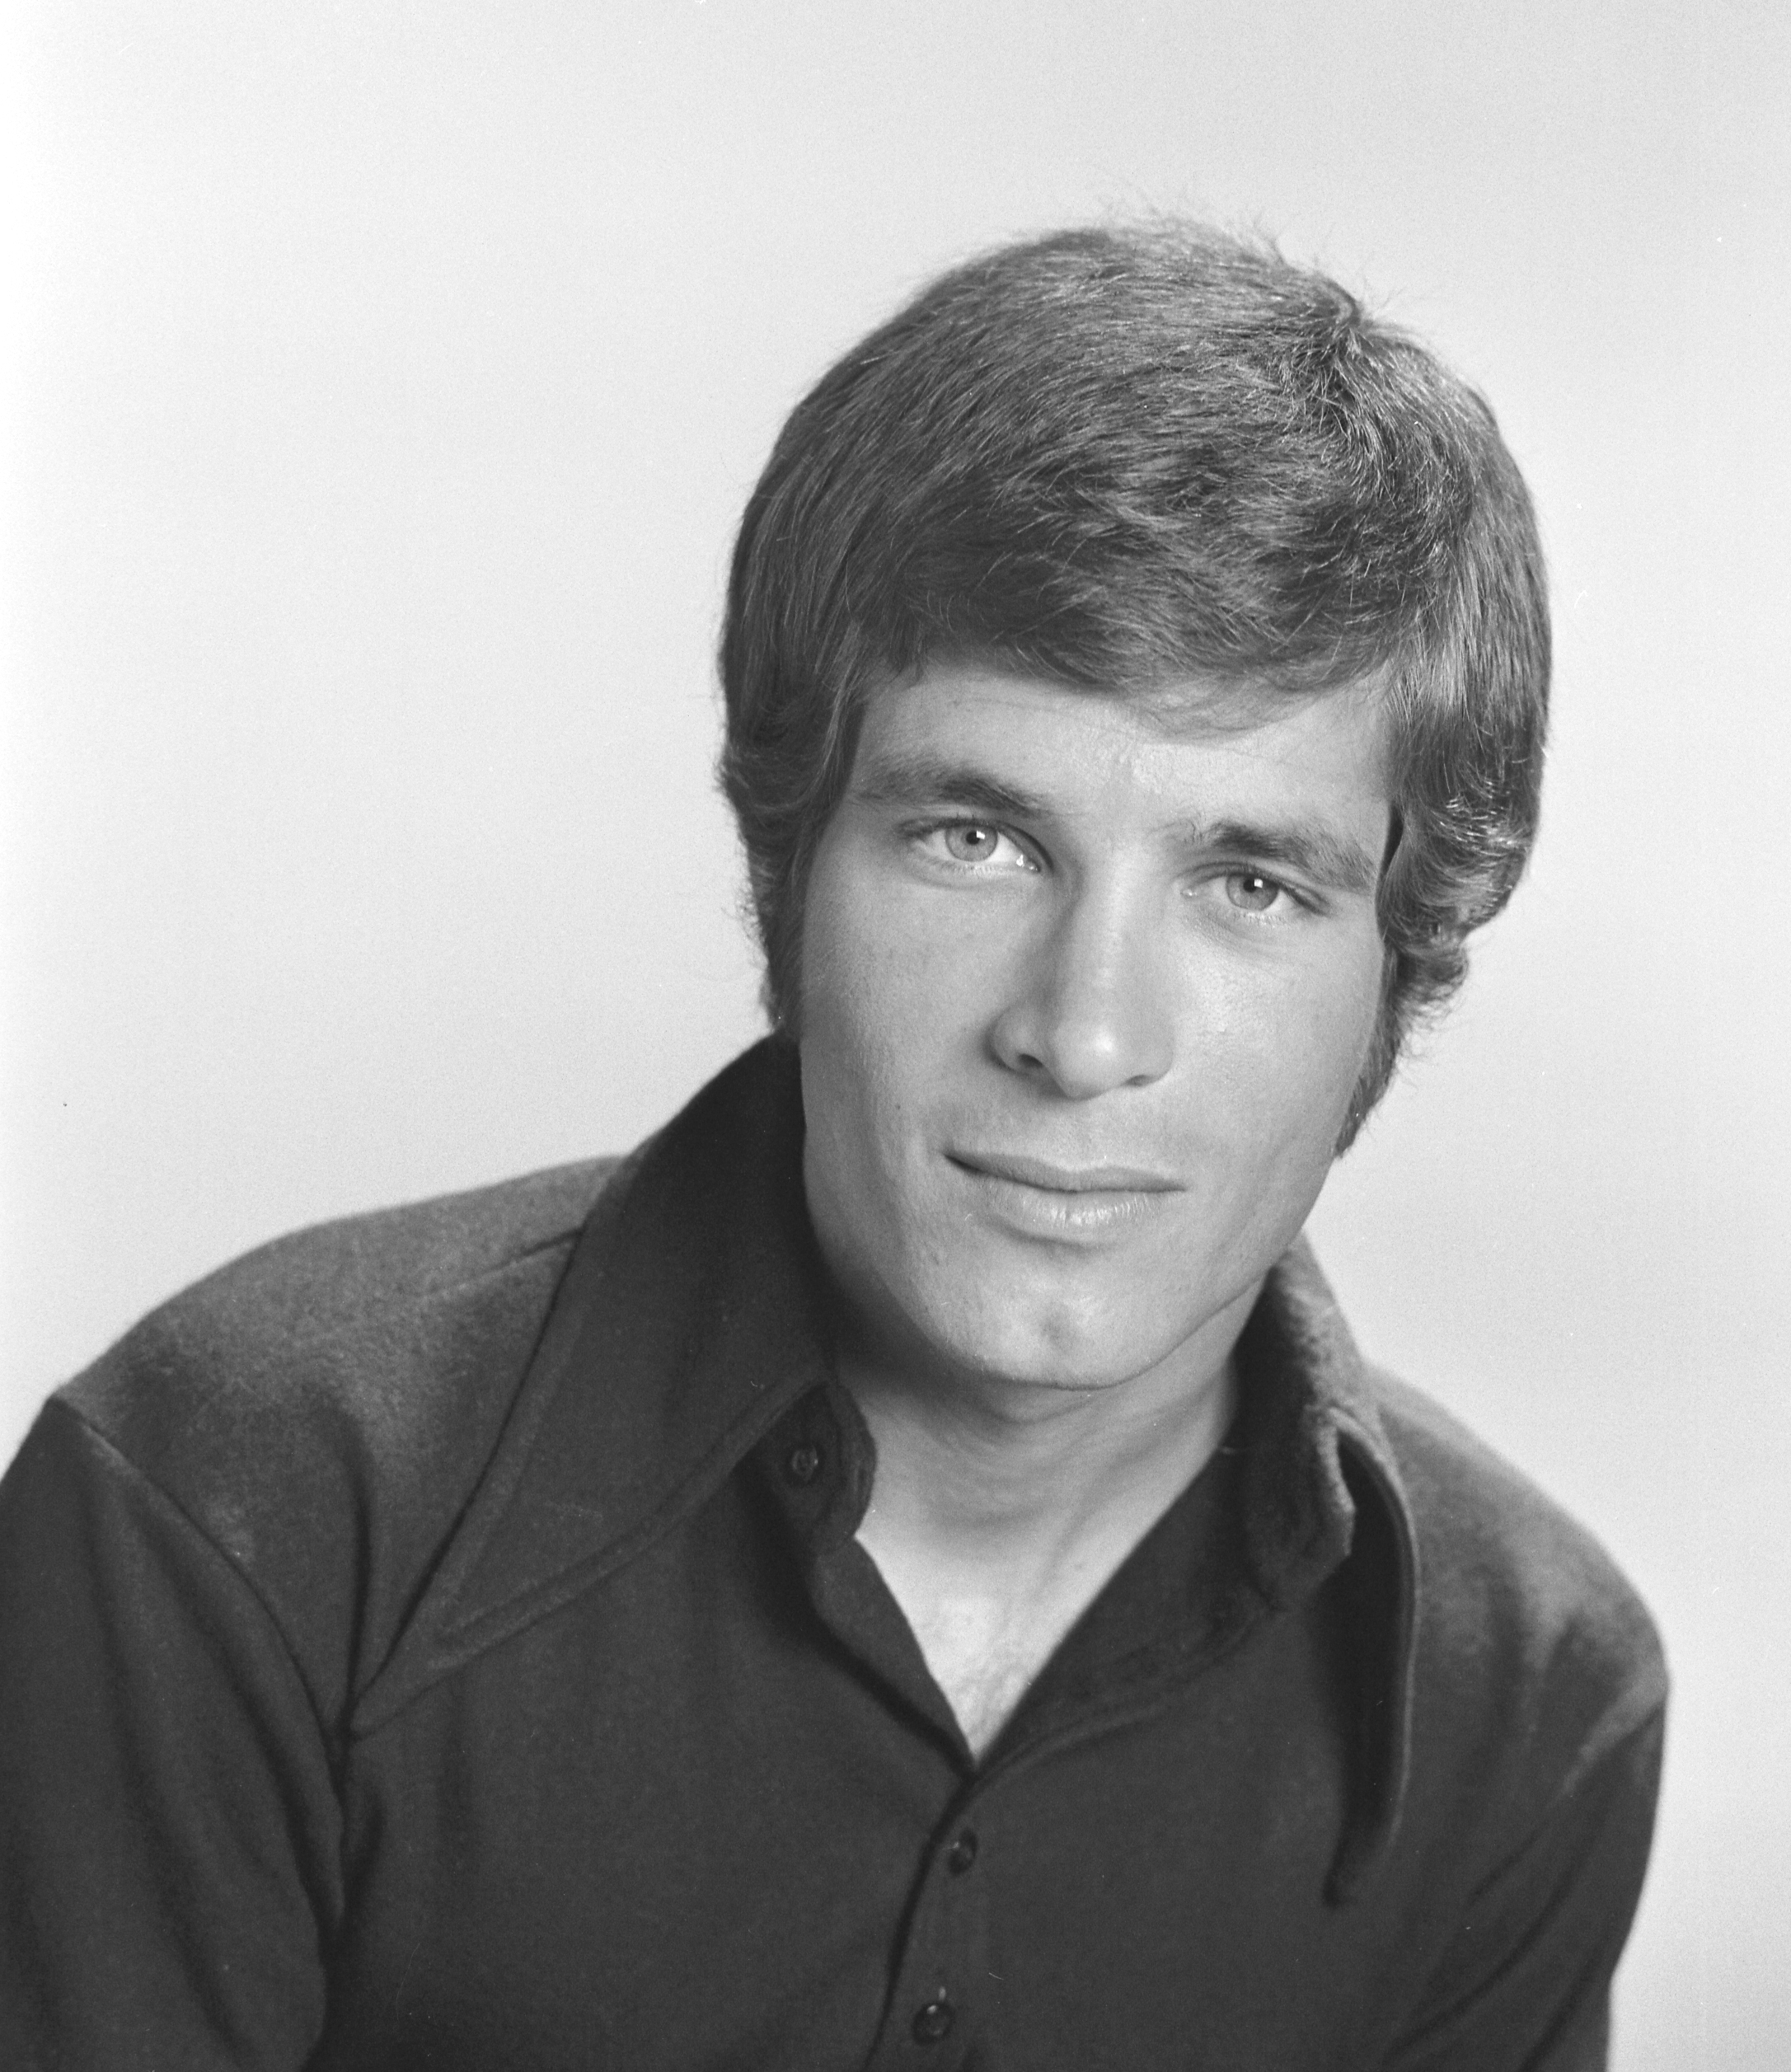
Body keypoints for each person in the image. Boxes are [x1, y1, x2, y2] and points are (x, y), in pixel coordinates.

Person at [0, 221, 1666, 2070]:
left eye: (1249, 880)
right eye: (979, 838)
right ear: (788, 861)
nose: (1082, 1032)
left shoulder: (1528, 1701)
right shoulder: (245, 1508)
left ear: (1399, 963)